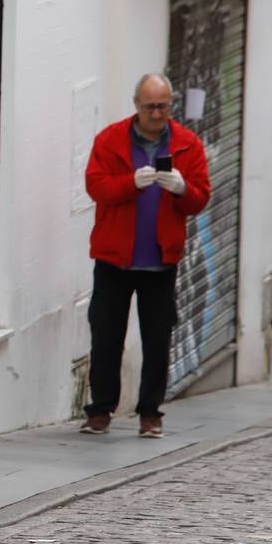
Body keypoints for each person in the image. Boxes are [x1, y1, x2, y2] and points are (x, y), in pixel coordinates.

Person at [81, 73, 211, 438]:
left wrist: (182, 188)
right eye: (150, 106)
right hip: (114, 258)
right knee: (106, 335)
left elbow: (201, 196)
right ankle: (100, 410)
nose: (157, 113)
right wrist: (129, 184)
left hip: (160, 260)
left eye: (164, 105)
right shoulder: (110, 140)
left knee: (158, 338)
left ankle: (150, 413)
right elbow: (96, 186)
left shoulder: (187, 143)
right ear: (136, 105)